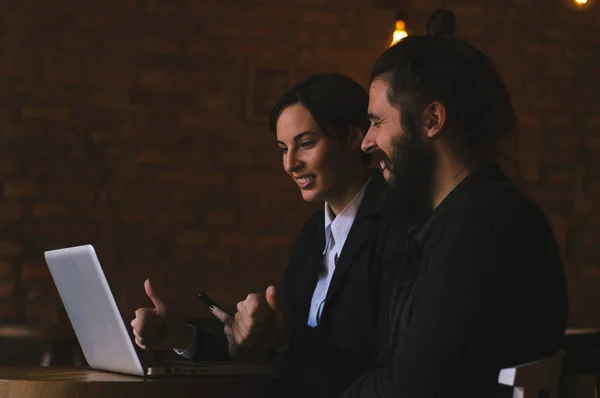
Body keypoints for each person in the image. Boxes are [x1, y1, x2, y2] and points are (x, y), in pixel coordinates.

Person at [337, 9, 569, 397]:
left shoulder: (485, 226)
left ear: (432, 120)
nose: (366, 143)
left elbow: (411, 387)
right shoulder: (458, 219)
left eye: (377, 122)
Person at [131, 73, 405, 397]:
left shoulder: (397, 224)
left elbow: (383, 362)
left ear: (352, 137)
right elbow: (272, 361)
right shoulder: (313, 235)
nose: (290, 164)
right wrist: (180, 337)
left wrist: (281, 337)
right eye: (282, 148)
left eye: (305, 144)